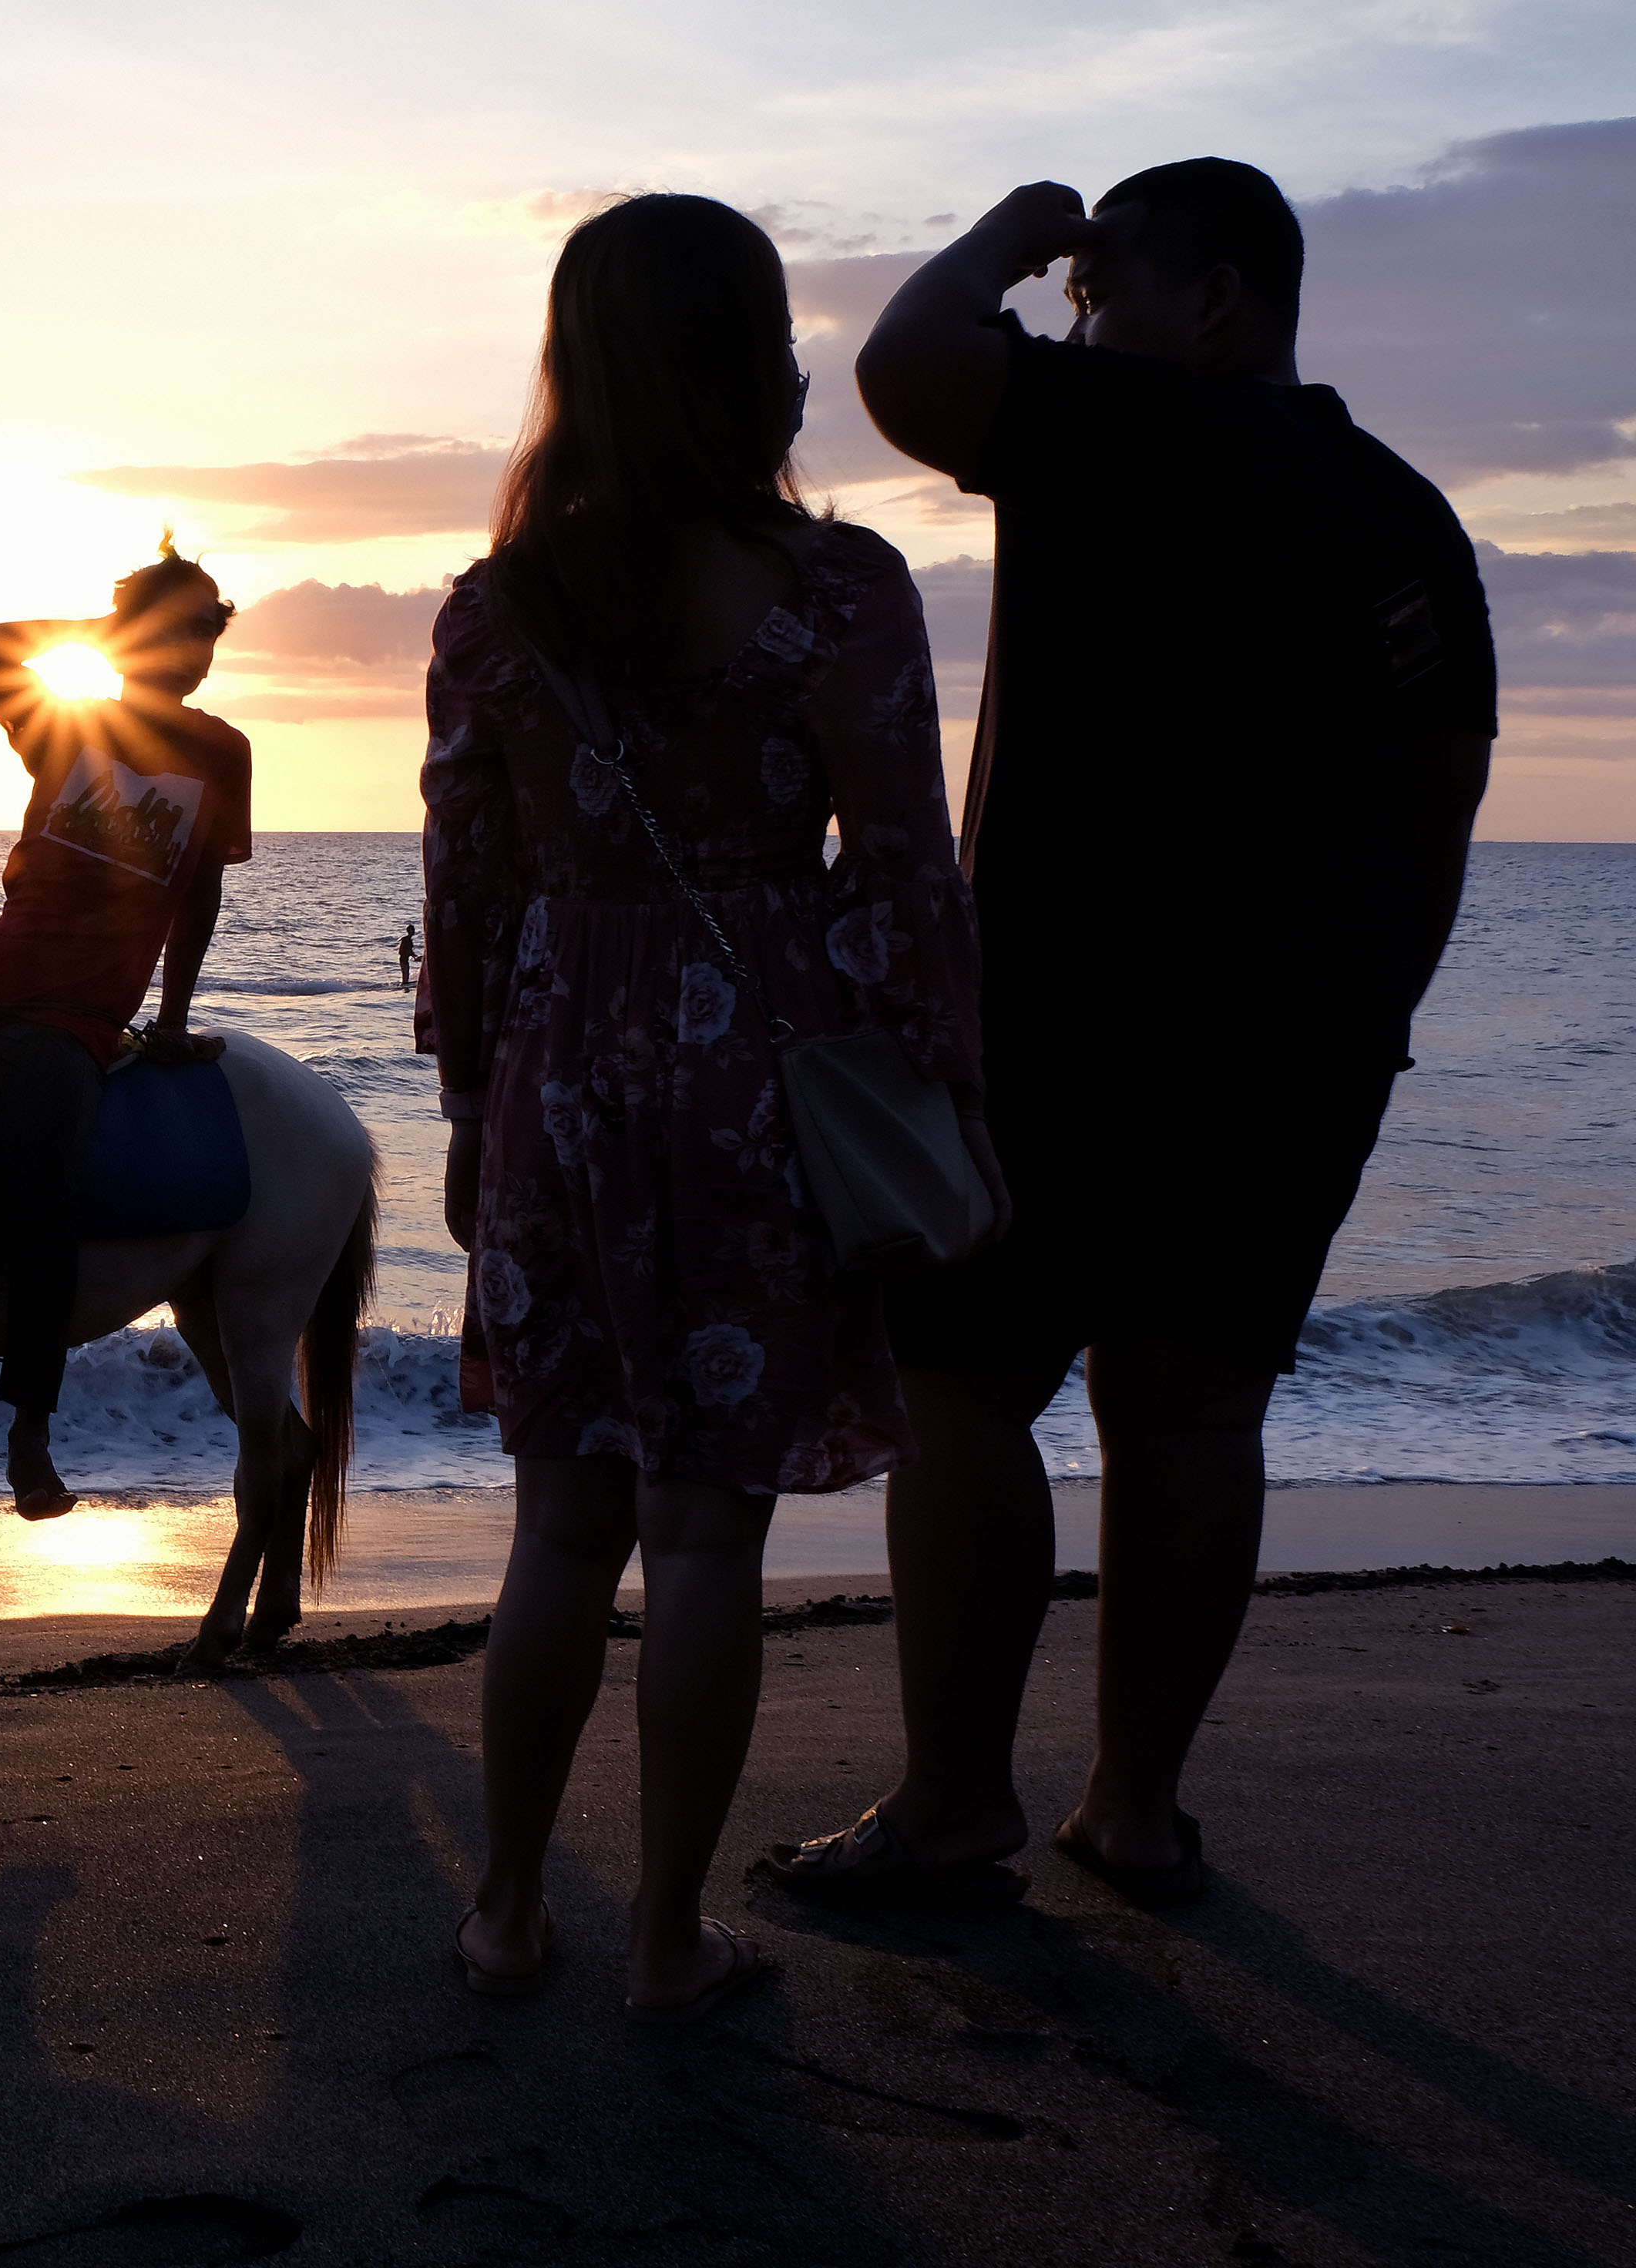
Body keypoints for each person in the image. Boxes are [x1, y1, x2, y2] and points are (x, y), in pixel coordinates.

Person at [767, 163, 1497, 1910]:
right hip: (1293, 1040)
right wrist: (1362, 1018)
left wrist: (1016, 228)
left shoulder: (1123, 429)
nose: (1072, 323)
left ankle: (952, 1805)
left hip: (1059, 1010)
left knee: (959, 1391)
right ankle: (1133, 1810)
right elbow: (1437, 799)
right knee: (1185, 1407)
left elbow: (904, 360)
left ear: (1210, 302)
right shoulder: (1398, 516)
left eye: (1097, 295)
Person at [418, 194, 997, 2018]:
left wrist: (465, 1111)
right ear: (755, 361)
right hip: (755, 1087)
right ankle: (665, 1939)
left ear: (571, 367)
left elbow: (468, 903)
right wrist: (946, 1096)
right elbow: (907, 875)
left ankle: (506, 1907)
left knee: (555, 1531)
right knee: (698, 1538)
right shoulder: (837, 591)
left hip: (556, 1086)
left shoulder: (491, 612)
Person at [0, 541, 250, 1518]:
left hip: (75, 1017)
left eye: (210, 627)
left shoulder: (219, 752)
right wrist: (93, 635)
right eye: (185, 623)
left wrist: (171, 1021)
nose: (200, 644)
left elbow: (198, 896)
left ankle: (29, 1426)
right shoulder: (67, 723)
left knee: (47, 1185)